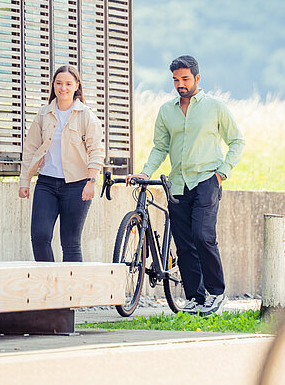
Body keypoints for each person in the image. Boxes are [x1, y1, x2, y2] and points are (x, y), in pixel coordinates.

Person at [127, 55, 245, 316]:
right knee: (184, 244)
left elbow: (237, 141)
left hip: (206, 180)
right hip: (178, 184)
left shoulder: (215, 106)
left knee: (203, 236)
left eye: (185, 79)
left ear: (197, 78)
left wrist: (222, 174)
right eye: (175, 80)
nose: (180, 84)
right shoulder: (166, 111)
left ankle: (216, 293)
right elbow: (160, 147)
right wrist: (146, 172)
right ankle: (195, 297)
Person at [18, 66, 105, 262]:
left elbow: (96, 151)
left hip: (77, 185)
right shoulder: (43, 114)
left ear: (77, 86)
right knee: (40, 237)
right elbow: (30, 148)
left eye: (68, 84)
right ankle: (49, 279)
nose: (63, 88)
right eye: (58, 83)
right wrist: (24, 181)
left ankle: (71, 283)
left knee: (70, 243)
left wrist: (91, 181)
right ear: (53, 85)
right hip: (46, 184)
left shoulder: (86, 115)